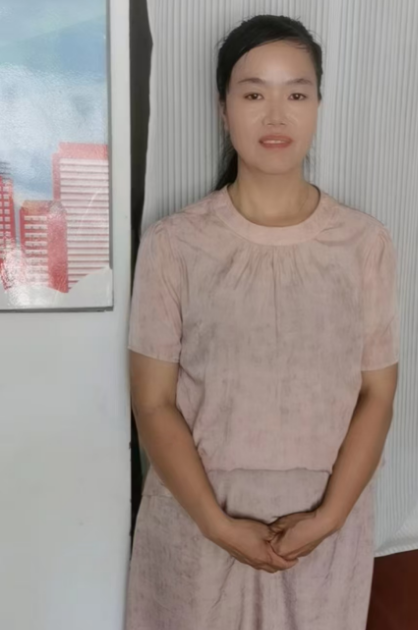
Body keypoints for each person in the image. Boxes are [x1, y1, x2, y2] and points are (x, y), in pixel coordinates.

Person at [125, 14, 400, 630]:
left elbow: (378, 395)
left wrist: (329, 518)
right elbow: (152, 402)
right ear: (223, 110)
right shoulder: (174, 244)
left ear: (318, 105)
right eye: (254, 95)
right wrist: (218, 525)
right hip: (196, 527)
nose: (276, 117)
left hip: (324, 534)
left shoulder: (365, 244)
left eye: (296, 95)